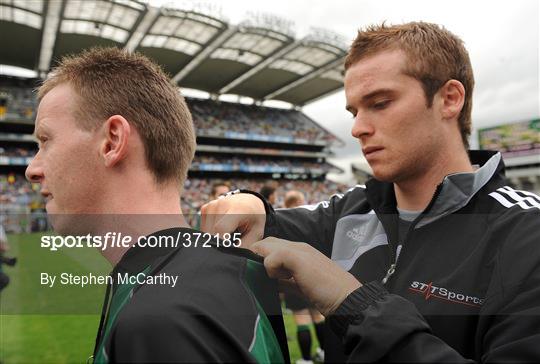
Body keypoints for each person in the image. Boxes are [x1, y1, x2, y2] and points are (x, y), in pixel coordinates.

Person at [201, 22, 540, 362]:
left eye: (379, 103)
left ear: (449, 99)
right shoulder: (350, 210)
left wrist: (352, 304)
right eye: (354, 111)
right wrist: (248, 200)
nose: (357, 128)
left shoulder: (525, 234)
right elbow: (264, 224)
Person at [26, 47, 288, 363]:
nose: (32, 169)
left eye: (45, 141)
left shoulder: (163, 319)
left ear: (111, 142)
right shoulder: (219, 272)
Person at [282, 191, 326, 364]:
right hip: (312, 276)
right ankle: (322, 352)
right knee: (317, 317)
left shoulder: (283, 222)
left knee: (302, 320)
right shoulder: (310, 219)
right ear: (298, 201)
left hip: (293, 278)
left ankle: (307, 359)